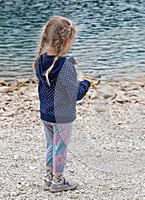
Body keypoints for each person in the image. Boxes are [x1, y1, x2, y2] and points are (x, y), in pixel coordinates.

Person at [32, 16, 91, 192]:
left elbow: (53, 74)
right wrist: (86, 83)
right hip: (63, 117)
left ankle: (48, 177)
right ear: (65, 41)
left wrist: (69, 61)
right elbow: (75, 95)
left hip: (46, 114)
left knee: (51, 145)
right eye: (71, 42)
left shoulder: (41, 60)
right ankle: (58, 181)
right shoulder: (65, 66)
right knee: (61, 148)